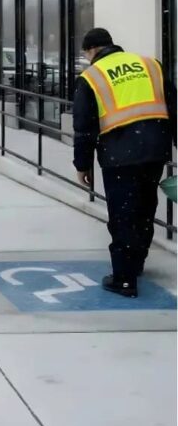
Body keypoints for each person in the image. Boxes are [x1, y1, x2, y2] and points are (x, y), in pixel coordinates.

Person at [73, 28, 176, 298]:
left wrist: (82, 165)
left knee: (123, 215)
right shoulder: (150, 65)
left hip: (120, 156)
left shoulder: (91, 77)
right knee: (144, 207)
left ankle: (124, 279)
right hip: (155, 149)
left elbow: (84, 128)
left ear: (92, 50)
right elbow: (173, 106)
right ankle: (137, 262)